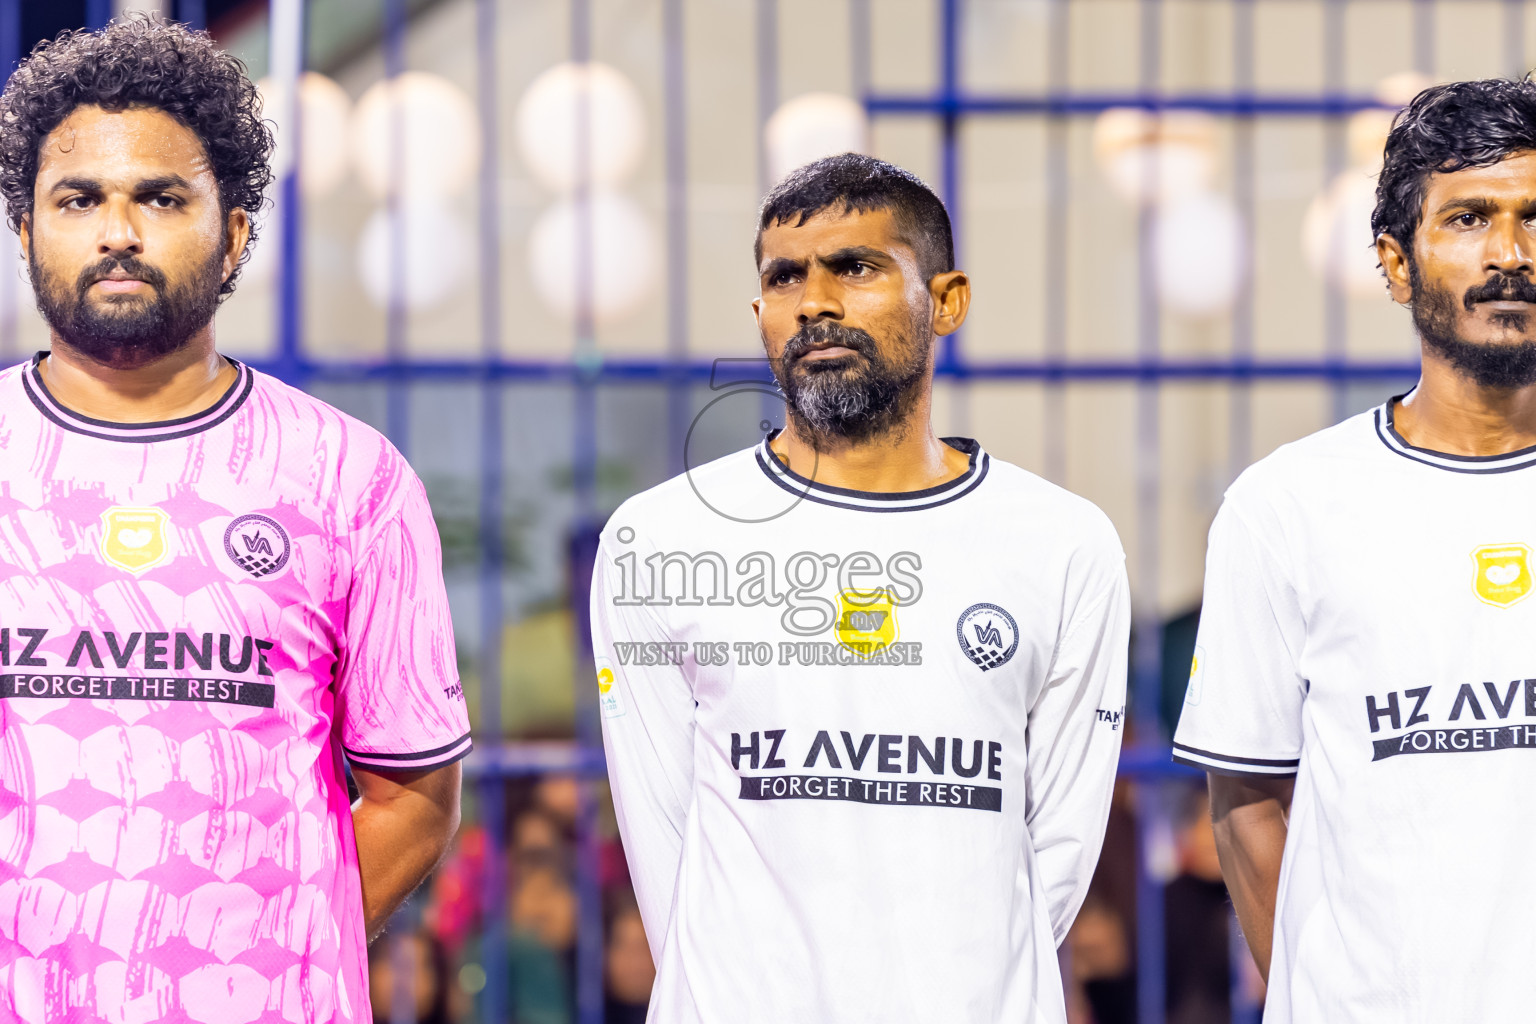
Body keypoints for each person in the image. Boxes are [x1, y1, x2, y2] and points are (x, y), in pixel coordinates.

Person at [0, 17, 469, 1022]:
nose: (118, 232)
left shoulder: (350, 477)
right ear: (26, 230)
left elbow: (414, 797)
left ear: (236, 234)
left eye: (161, 197)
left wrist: (278, 961)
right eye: (78, 199)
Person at [590, 153, 1130, 1022]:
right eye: (785, 277)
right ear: (760, 312)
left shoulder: (1063, 544)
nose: (815, 303)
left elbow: (1053, 859)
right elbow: (663, 841)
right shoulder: (661, 538)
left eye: (855, 267)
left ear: (946, 301)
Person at [1173, 77, 1536, 1021]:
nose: (1510, 253)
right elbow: (1248, 807)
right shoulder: (1287, 506)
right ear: (1396, 263)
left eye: (1534, 218)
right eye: (1469, 218)